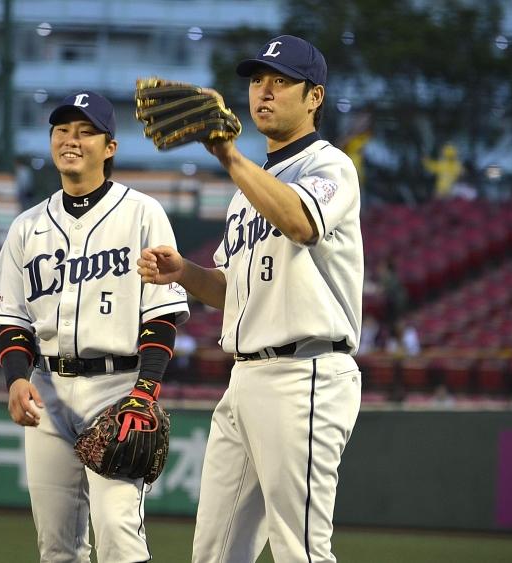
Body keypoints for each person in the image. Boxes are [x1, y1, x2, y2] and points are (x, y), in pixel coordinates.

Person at [138, 35, 362, 563]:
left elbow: (301, 223)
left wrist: (229, 156)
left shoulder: (329, 167)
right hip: (244, 380)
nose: (263, 91)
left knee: (299, 550)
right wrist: (184, 271)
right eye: (258, 80)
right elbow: (230, 286)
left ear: (314, 98)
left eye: (281, 81)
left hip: (305, 375)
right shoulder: (248, 191)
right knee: (214, 552)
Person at [0, 90, 189, 563]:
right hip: (47, 390)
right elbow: (13, 322)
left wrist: (145, 392)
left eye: (86, 130)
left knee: (118, 533)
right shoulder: (27, 226)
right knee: (56, 546)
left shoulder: (142, 213)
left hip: (118, 389)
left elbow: (161, 313)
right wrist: (15, 380)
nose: (71, 140)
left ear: (110, 147)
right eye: (62, 130)